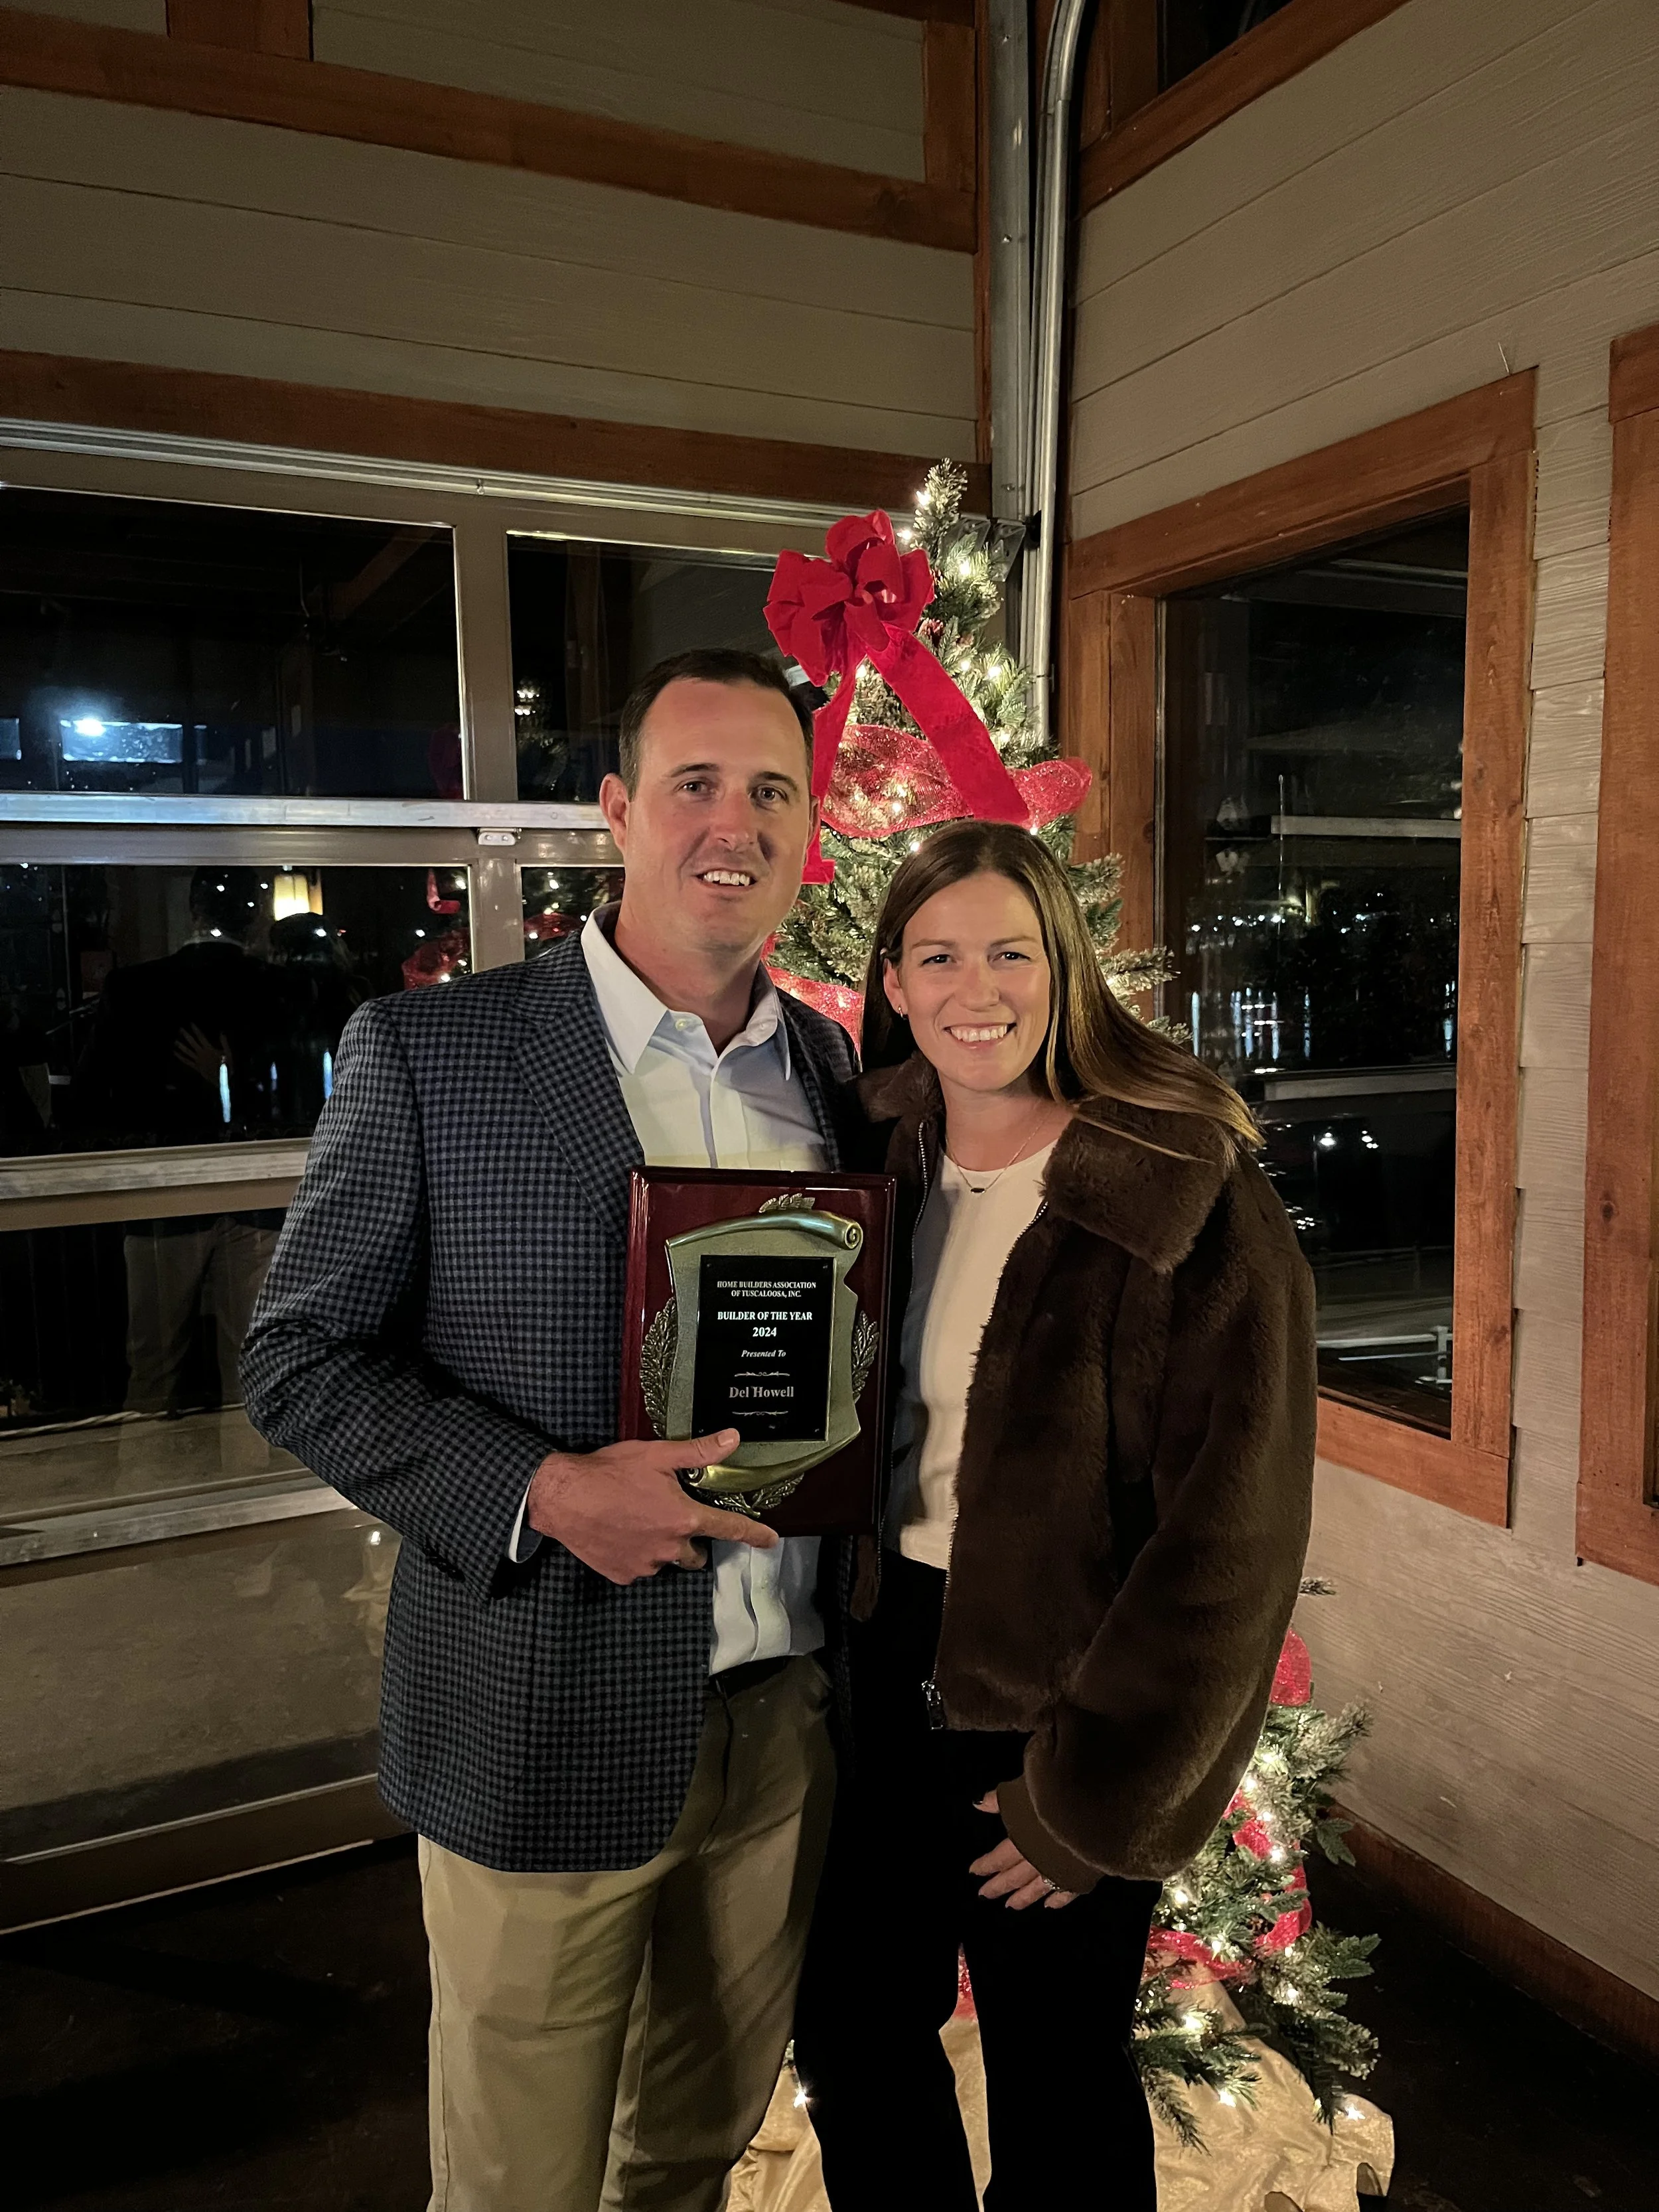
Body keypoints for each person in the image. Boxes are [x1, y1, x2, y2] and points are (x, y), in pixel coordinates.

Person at [242, 648, 857, 2212]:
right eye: (694, 785)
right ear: (613, 813)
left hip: (777, 1721)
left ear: (810, 825)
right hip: (537, 1706)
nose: (734, 823)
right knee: (516, 2185)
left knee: (688, 2158)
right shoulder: (434, 1053)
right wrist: (538, 1488)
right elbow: (298, 1357)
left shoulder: (836, 1070)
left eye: (771, 790)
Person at [792, 820, 1317, 2210]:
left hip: (1059, 1693)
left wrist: (1097, 1796)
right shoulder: (864, 1155)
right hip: (870, 1673)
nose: (979, 987)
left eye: (1010, 951)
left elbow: (1231, 1541)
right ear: (892, 981)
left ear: (1063, 969)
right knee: (851, 2031)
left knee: (1057, 2084)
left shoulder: (1184, 1191)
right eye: (940, 954)